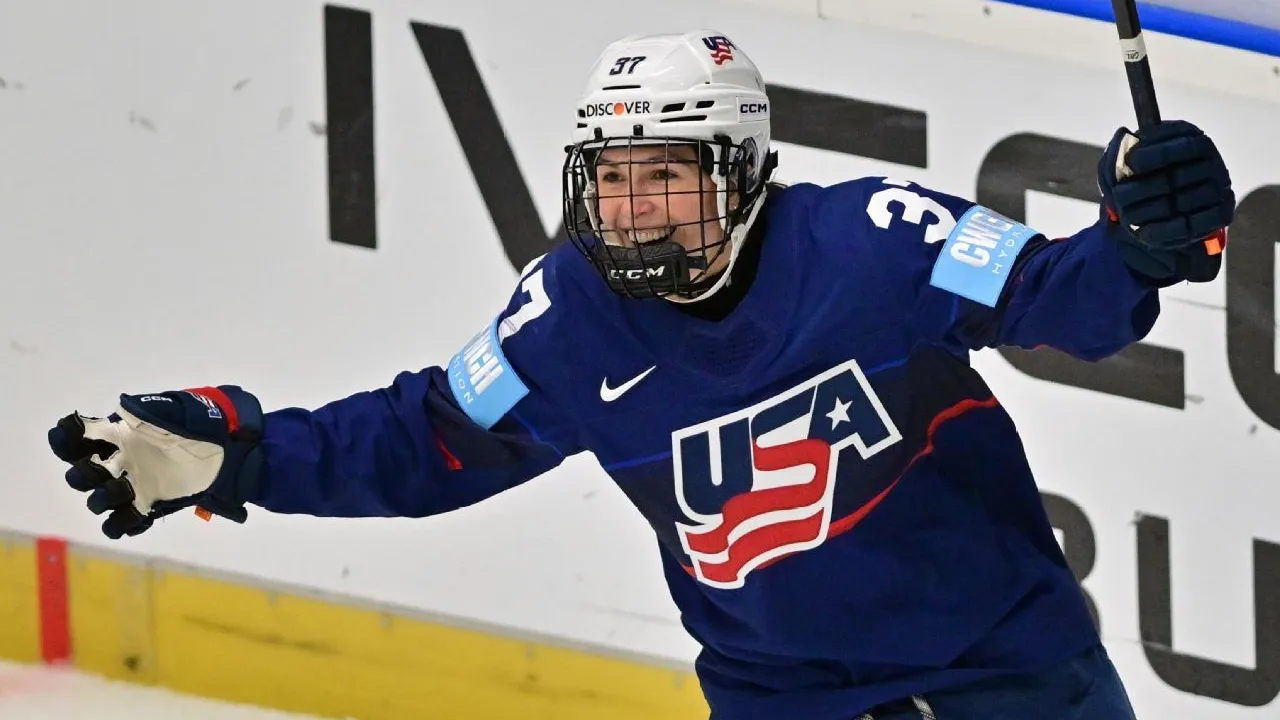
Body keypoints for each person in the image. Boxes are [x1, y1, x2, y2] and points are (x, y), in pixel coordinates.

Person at [47, 29, 1234, 720]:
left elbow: (1059, 299)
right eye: (611, 181)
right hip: (787, 701)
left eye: (662, 177)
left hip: (1009, 673)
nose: (631, 213)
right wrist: (239, 454)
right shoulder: (571, 316)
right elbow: (429, 439)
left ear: (742, 169)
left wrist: (1135, 241)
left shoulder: (877, 237)